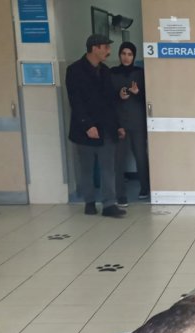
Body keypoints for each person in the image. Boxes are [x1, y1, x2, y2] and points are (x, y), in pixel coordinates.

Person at [65, 34, 126, 218]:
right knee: (87, 168)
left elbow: (110, 103)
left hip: (106, 127)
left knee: (108, 167)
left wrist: (118, 125)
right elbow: (76, 101)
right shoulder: (74, 70)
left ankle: (109, 204)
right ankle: (89, 202)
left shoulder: (105, 71)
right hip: (84, 129)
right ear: (94, 48)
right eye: (105, 47)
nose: (108, 51)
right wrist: (87, 125)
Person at [111, 41, 150, 206]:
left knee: (141, 156)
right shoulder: (112, 73)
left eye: (130, 54)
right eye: (123, 54)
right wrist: (118, 95)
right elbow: (107, 98)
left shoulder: (140, 73)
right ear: (119, 55)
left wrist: (137, 92)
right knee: (118, 159)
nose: (126, 57)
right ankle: (120, 194)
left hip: (138, 120)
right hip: (119, 121)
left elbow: (148, 98)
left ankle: (145, 188)